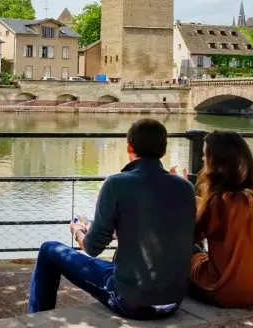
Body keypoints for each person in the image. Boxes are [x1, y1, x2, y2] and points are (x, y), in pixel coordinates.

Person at [28, 119, 196, 320]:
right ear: (163, 149)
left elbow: (92, 248)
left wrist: (78, 231)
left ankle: (36, 320)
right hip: (173, 300)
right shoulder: (185, 187)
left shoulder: (116, 183)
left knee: (49, 250)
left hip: (133, 301)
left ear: (129, 147)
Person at [188, 131, 253, 310]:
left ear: (217, 163)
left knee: (188, 252)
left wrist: (182, 193)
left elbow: (191, 236)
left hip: (224, 293)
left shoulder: (220, 201)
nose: (202, 159)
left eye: (205, 155)